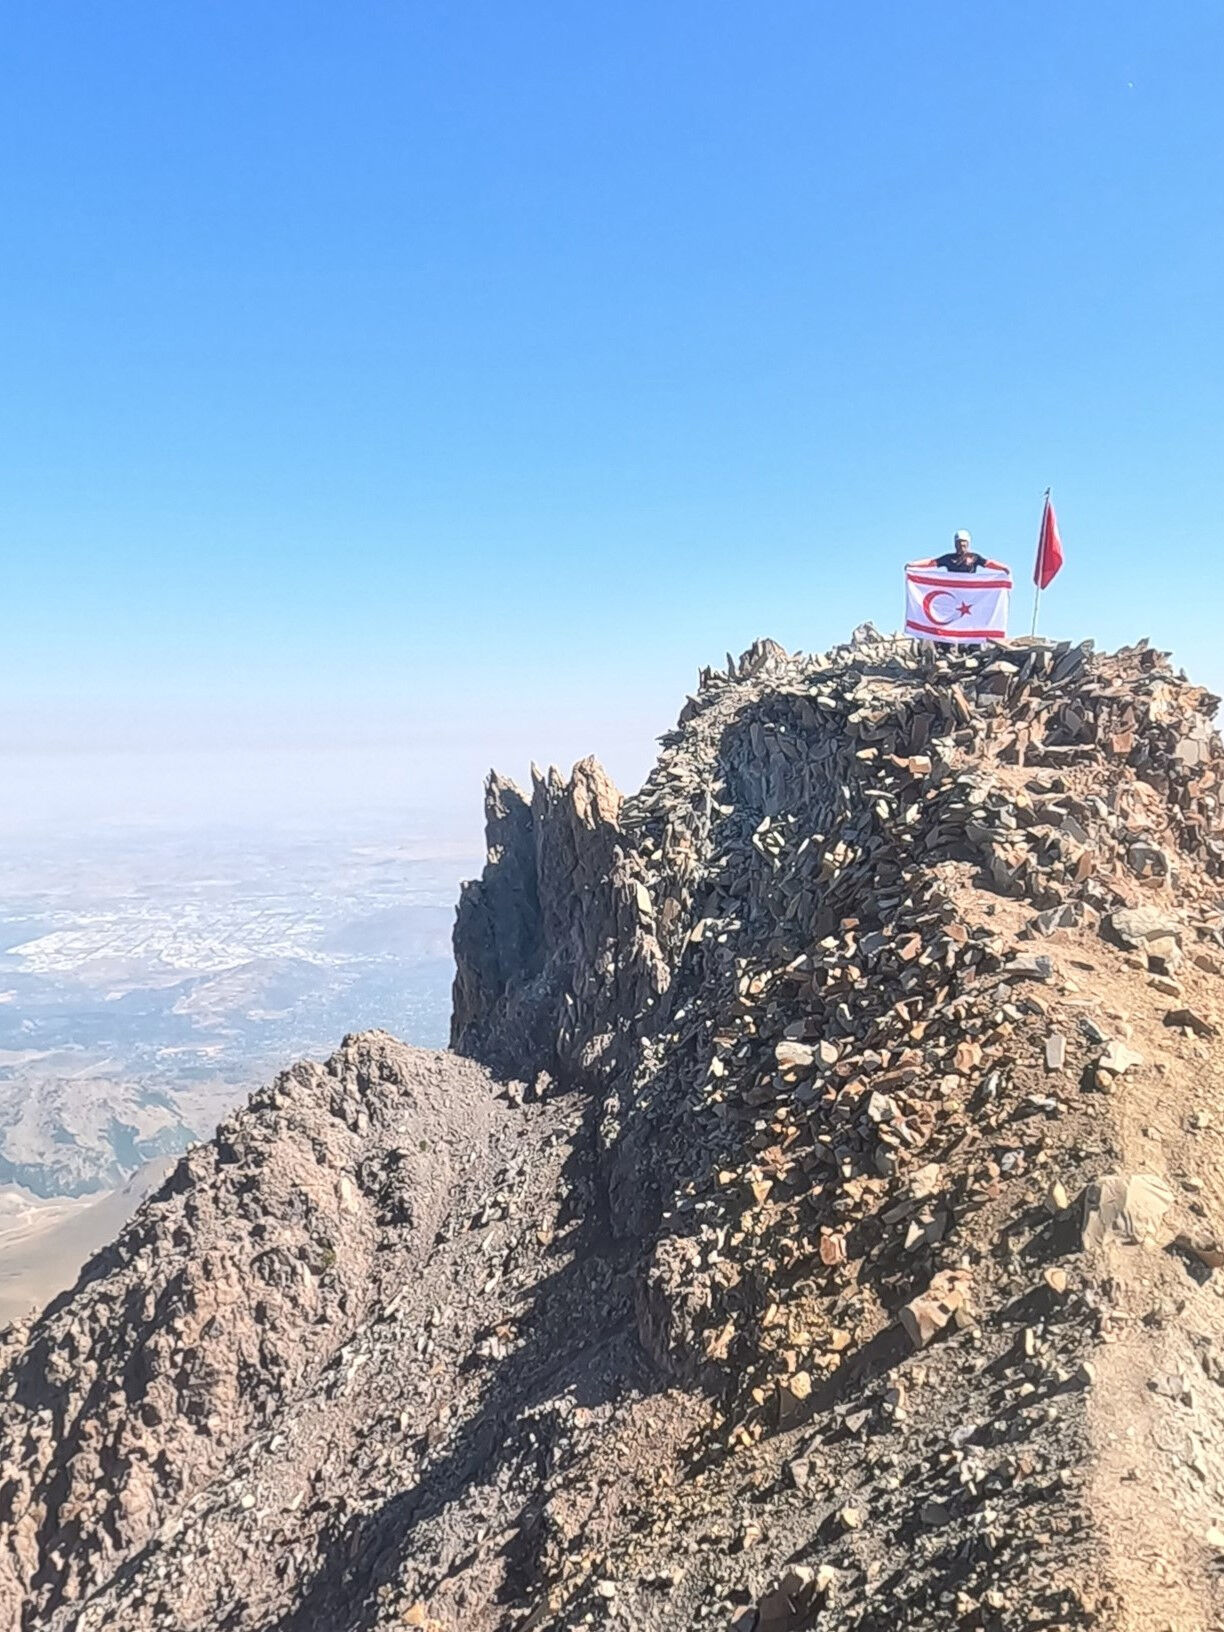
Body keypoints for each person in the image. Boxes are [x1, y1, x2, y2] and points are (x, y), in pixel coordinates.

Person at [909, 529, 1008, 574]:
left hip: (970, 592)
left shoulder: (975, 557)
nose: (961, 545)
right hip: (953, 591)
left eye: (964, 542)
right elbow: (931, 562)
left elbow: (988, 563)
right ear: (955, 544)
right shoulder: (948, 558)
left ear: (968, 543)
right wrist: (913, 564)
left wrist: (1003, 567)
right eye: (959, 543)